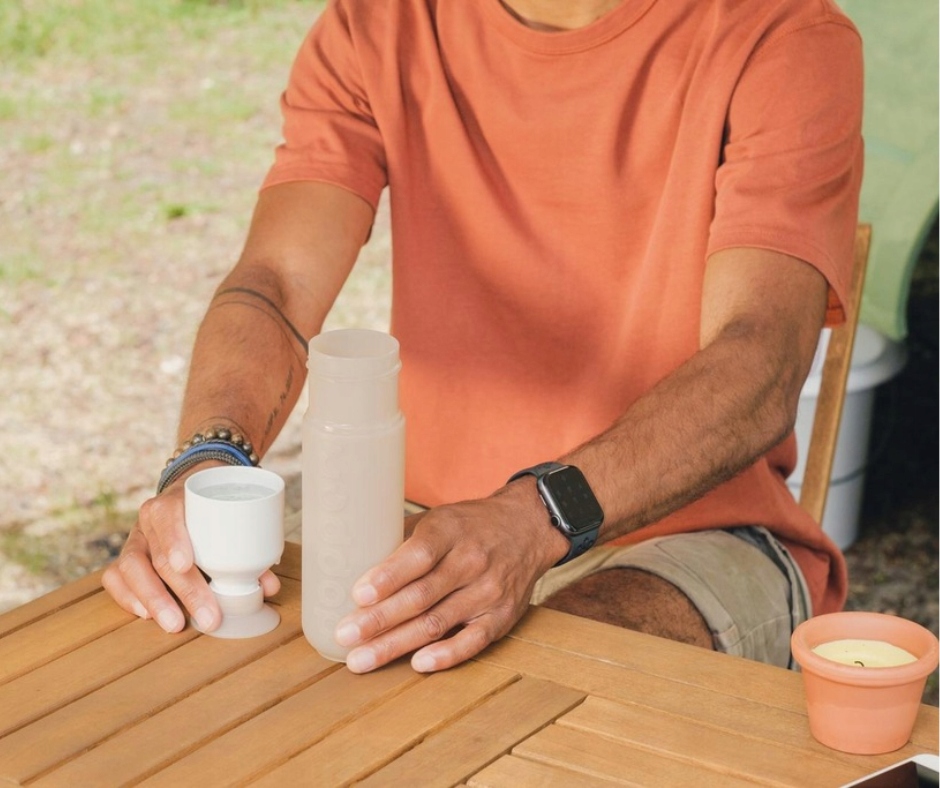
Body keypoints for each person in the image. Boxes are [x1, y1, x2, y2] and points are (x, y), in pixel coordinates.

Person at [103, 0, 864, 675]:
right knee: (187, 651)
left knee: (524, 695)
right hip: (420, 520)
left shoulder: (784, 35)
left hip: (693, 537)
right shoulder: (378, 23)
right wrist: (206, 464)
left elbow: (759, 359)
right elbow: (276, 280)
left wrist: (534, 518)